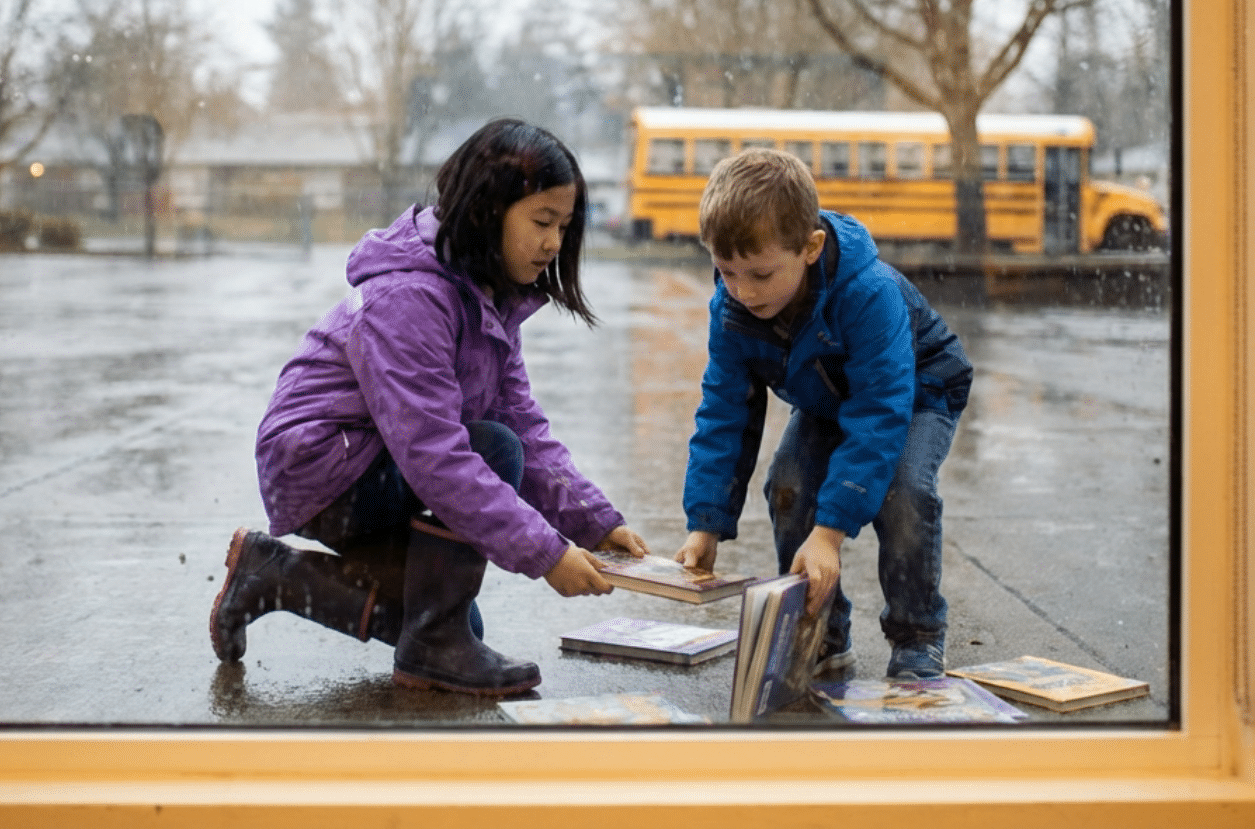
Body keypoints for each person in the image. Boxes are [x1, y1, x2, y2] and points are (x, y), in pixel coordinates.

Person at [209, 119, 649, 696]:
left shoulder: (490, 297)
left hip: (375, 463)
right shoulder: (410, 300)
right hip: (324, 467)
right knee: (490, 454)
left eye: (563, 227)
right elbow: (435, 457)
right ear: (489, 211)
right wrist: (546, 555)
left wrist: (593, 522)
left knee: (448, 620)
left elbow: (527, 424)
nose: (553, 244)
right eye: (542, 222)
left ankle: (270, 577)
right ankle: (430, 643)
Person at [674, 148, 973, 680]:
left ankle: (918, 634)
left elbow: (881, 411)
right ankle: (823, 633)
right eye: (726, 272)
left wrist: (830, 533)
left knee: (903, 491)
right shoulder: (732, 308)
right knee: (788, 484)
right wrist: (706, 523)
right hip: (829, 398)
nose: (743, 292)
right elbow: (725, 412)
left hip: (920, 390)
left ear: (810, 248)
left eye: (761, 274)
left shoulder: (868, 293)